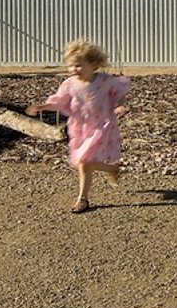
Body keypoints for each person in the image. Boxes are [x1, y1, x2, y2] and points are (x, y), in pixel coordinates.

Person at [27, 38, 130, 213]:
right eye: (71, 65)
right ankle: (112, 168)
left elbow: (119, 91)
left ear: (94, 64)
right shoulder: (69, 84)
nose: (74, 69)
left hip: (101, 125)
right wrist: (42, 107)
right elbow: (59, 101)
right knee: (79, 162)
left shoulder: (104, 81)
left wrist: (119, 105)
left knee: (83, 162)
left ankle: (83, 199)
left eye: (79, 65)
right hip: (80, 126)